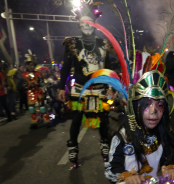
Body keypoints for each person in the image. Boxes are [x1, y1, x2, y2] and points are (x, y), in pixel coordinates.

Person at [57, 14, 112, 164]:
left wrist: (110, 87)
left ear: (94, 24)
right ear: (79, 25)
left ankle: (105, 144)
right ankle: (73, 146)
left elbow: (108, 68)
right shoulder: (72, 44)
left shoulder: (103, 43)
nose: (87, 25)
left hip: (100, 88)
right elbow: (66, 68)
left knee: (102, 119)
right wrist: (61, 87)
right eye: (83, 22)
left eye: (89, 22)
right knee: (76, 119)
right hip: (80, 89)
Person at [23, 57, 48, 129]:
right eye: (30, 65)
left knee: (42, 106)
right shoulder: (24, 74)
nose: (32, 66)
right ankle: (34, 121)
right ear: (27, 65)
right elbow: (23, 84)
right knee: (31, 107)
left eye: (33, 65)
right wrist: (27, 86)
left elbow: (42, 83)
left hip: (39, 91)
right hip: (30, 92)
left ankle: (46, 120)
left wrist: (38, 84)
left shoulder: (38, 73)